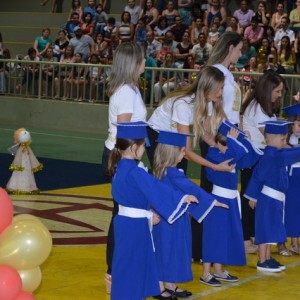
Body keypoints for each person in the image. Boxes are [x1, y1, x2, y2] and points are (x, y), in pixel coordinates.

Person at [108, 121, 199, 300]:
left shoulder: (120, 168)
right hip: (136, 228)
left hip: (125, 224)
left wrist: (149, 215)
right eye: (143, 145)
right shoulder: (135, 172)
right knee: (135, 266)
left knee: (125, 265)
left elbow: (138, 195)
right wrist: (181, 198)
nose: (144, 150)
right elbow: (155, 188)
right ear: (134, 147)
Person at [152, 130, 229, 299]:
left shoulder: (162, 170)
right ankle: (158, 287)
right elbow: (191, 188)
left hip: (174, 219)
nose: (184, 154)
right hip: (168, 221)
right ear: (173, 153)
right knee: (165, 251)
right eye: (182, 151)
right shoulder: (170, 172)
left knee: (171, 252)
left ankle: (169, 283)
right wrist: (212, 201)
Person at [101, 42, 147, 295]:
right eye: (142, 58)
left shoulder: (129, 88)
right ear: (133, 62)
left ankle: (115, 269)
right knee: (121, 215)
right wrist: (132, 164)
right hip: (122, 156)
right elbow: (125, 133)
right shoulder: (127, 93)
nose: (145, 61)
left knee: (121, 213)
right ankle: (113, 271)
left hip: (123, 155)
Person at [200, 120, 263, 286]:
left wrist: (245, 140)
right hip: (218, 201)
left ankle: (218, 270)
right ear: (218, 142)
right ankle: (206, 272)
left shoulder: (229, 152)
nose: (228, 148)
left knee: (225, 235)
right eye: (226, 145)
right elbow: (234, 155)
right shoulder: (213, 154)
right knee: (214, 236)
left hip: (231, 201)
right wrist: (235, 142)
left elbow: (251, 157)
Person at [147, 66, 233, 174]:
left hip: (174, 135)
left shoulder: (208, 102)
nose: (220, 93)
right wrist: (214, 166)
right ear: (207, 87)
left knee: (180, 173)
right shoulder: (183, 105)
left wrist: (218, 145)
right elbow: (187, 152)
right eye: (218, 88)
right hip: (157, 133)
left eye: (222, 88)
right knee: (164, 175)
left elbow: (205, 133)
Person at [244, 120, 300, 272]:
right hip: (268, 199)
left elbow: (290, 152)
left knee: (270, 229)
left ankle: (268, 258)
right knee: (265, 230)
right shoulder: (272, 157)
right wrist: (252, 197)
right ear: (271, 138)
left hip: (275, 199)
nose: (284, 142)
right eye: (282, 139)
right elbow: (257, 177)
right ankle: (262, 260)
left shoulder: (275, 153)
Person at [241, 71, 285, 253]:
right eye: (278, 91)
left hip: (259, 157)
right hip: (254, 157)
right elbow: (271, 137)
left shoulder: (264, 107)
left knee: (254, 198)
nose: (280, 95)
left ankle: (251, 235)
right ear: (268, 90)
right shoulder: (257, 108)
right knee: (249, 198)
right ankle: (245, 238)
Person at [282, 103, 300, 255]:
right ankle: (286, 242)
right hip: (291, 179)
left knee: (297, 211)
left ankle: (296, 242)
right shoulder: (286, 142)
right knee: (289, 210)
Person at [6, 128, 43, 194]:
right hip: (26, 164)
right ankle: (26, 186)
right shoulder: (26, 148)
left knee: (22, 173)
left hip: (22, 165)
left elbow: (18, 158)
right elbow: (31, 156)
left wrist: (16, 165)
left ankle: (18, 186)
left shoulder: (21, 148)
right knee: (27, 173)